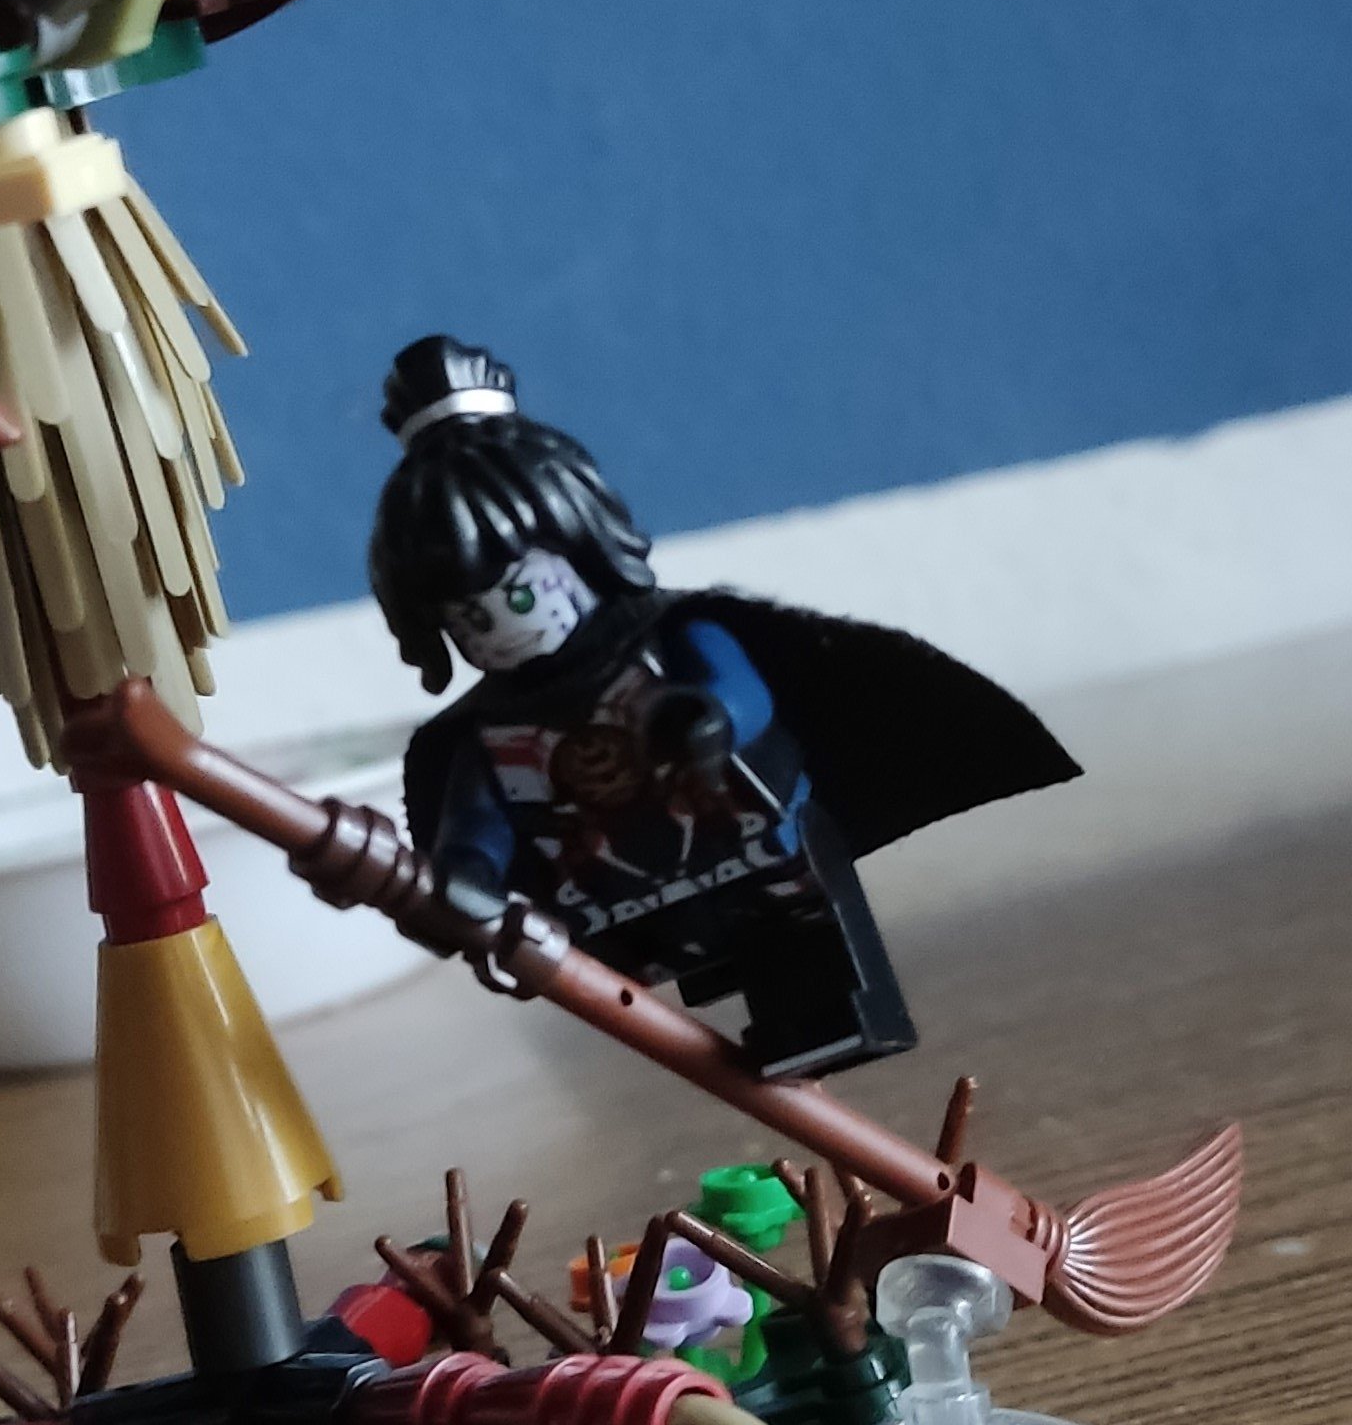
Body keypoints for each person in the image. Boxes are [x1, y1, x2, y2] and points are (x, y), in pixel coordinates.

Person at [371, 337, 1078, 1084]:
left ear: (582, 544)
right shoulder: (490, 734)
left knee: (806, 986)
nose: (502, 627)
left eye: (518, 594)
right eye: (468, 618)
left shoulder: (669, 639)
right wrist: (464, 879)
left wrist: (702, 720)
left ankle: (817, 1028)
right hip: (623, 908)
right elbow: (477, 823)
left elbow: (741, 696)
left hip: (755, 864)